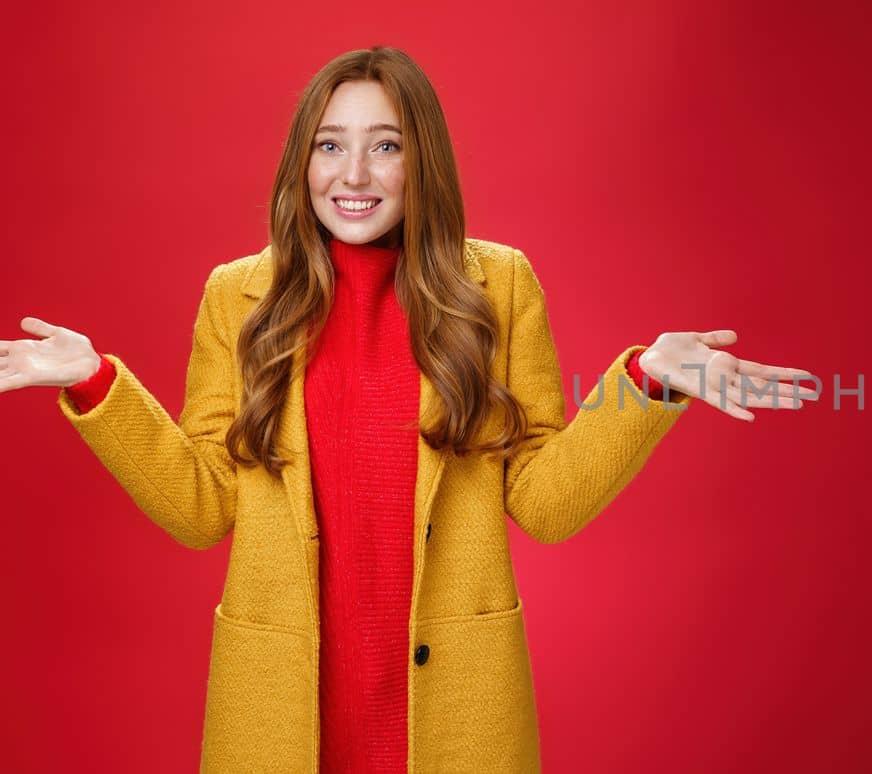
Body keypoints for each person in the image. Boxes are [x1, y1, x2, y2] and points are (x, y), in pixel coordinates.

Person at [0, 46, 816, 772]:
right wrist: (97, 383)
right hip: (284, 716)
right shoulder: (237, 297)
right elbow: (201, 506)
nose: (353, 175)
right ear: (301, 163)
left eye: (384, 145)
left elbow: (546, 501)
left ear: (421, 160)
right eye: (330, 146)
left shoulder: (496, 288)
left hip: (455, 710)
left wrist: (645, 382)